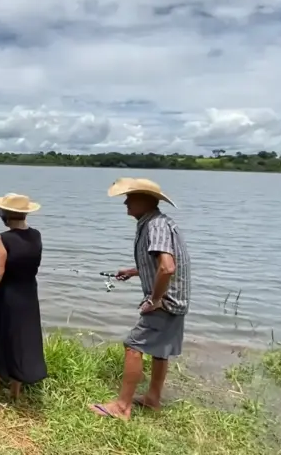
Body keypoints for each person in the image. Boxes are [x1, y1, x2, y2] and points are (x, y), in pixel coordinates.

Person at [90, 177, 191, 421]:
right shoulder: (156, 222)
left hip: (166, 301)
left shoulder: (155, 225)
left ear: (146, 201)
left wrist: (155, 300)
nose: (125, 202)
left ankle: (122, 407)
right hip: (177, 299)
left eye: (130, 197)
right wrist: (135, 271)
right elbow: (161, 263)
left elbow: (167, 268)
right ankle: (153, 398)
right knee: (160, 351)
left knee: (133, 346)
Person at [0, 193, 48, 415]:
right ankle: (15, 392)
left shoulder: (4, 239)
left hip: (5, 296)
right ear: (25, 213)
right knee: (20, 338)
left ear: (4, 214)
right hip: (28, 295)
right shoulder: (36, 236)